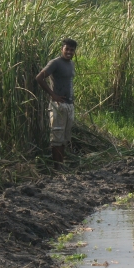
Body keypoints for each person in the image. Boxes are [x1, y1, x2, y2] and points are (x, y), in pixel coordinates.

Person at [36, 38, 77, 171]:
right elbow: (39, 78)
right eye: (67, 49)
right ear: (62, 49)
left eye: (72, 50)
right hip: (58, 105)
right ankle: (57, 166)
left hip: (69, 105)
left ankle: (61, 164)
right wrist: (52, 95)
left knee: (65, 137)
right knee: (57, 137)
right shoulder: (55, 63)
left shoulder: (71, 64)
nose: (69, 52)